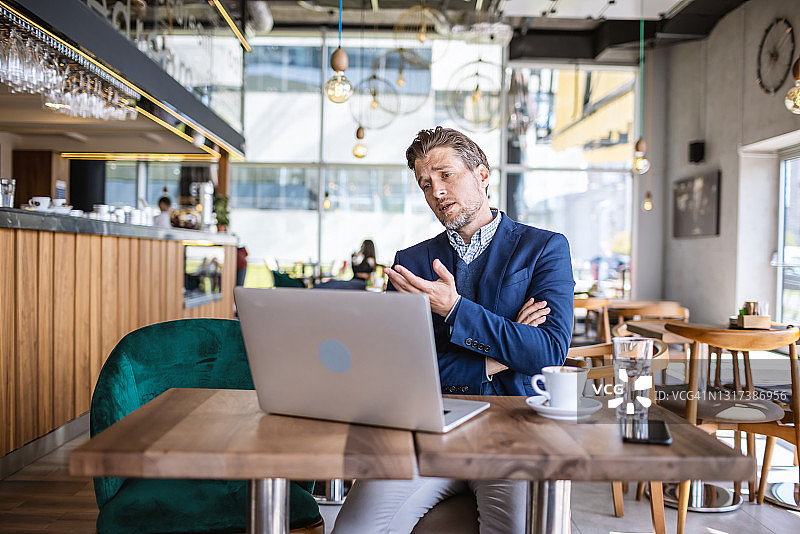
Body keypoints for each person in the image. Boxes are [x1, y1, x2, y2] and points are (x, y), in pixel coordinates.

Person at [332, 127, 575, 534]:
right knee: (353, 529)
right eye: (426, 184)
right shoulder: (410, 263)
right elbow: (393, 373)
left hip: (512, 433)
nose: (437, 192)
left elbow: (548, 351)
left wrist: (453, 309)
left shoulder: (544, 248)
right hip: (429, 430)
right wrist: (496, 359)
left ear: (482, 175)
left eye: (446, 175)